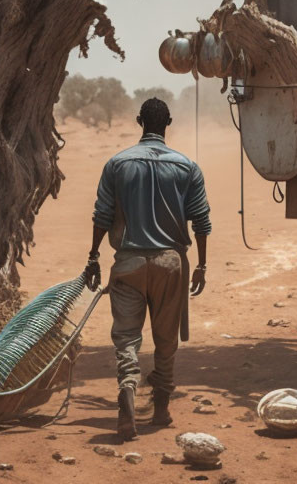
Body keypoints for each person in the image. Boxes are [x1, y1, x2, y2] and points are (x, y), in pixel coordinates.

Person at [84, 97, 211, 441]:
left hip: (127, 263)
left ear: (139, 120)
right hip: (171, 264)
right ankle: (161, 409)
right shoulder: (188, 167)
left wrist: (94, 257)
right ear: (168, 123)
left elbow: (102, 215)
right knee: (166, 339)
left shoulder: (116, 164)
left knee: (126, 337)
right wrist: (200, 265)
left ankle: (127, 388)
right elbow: (201, 221)